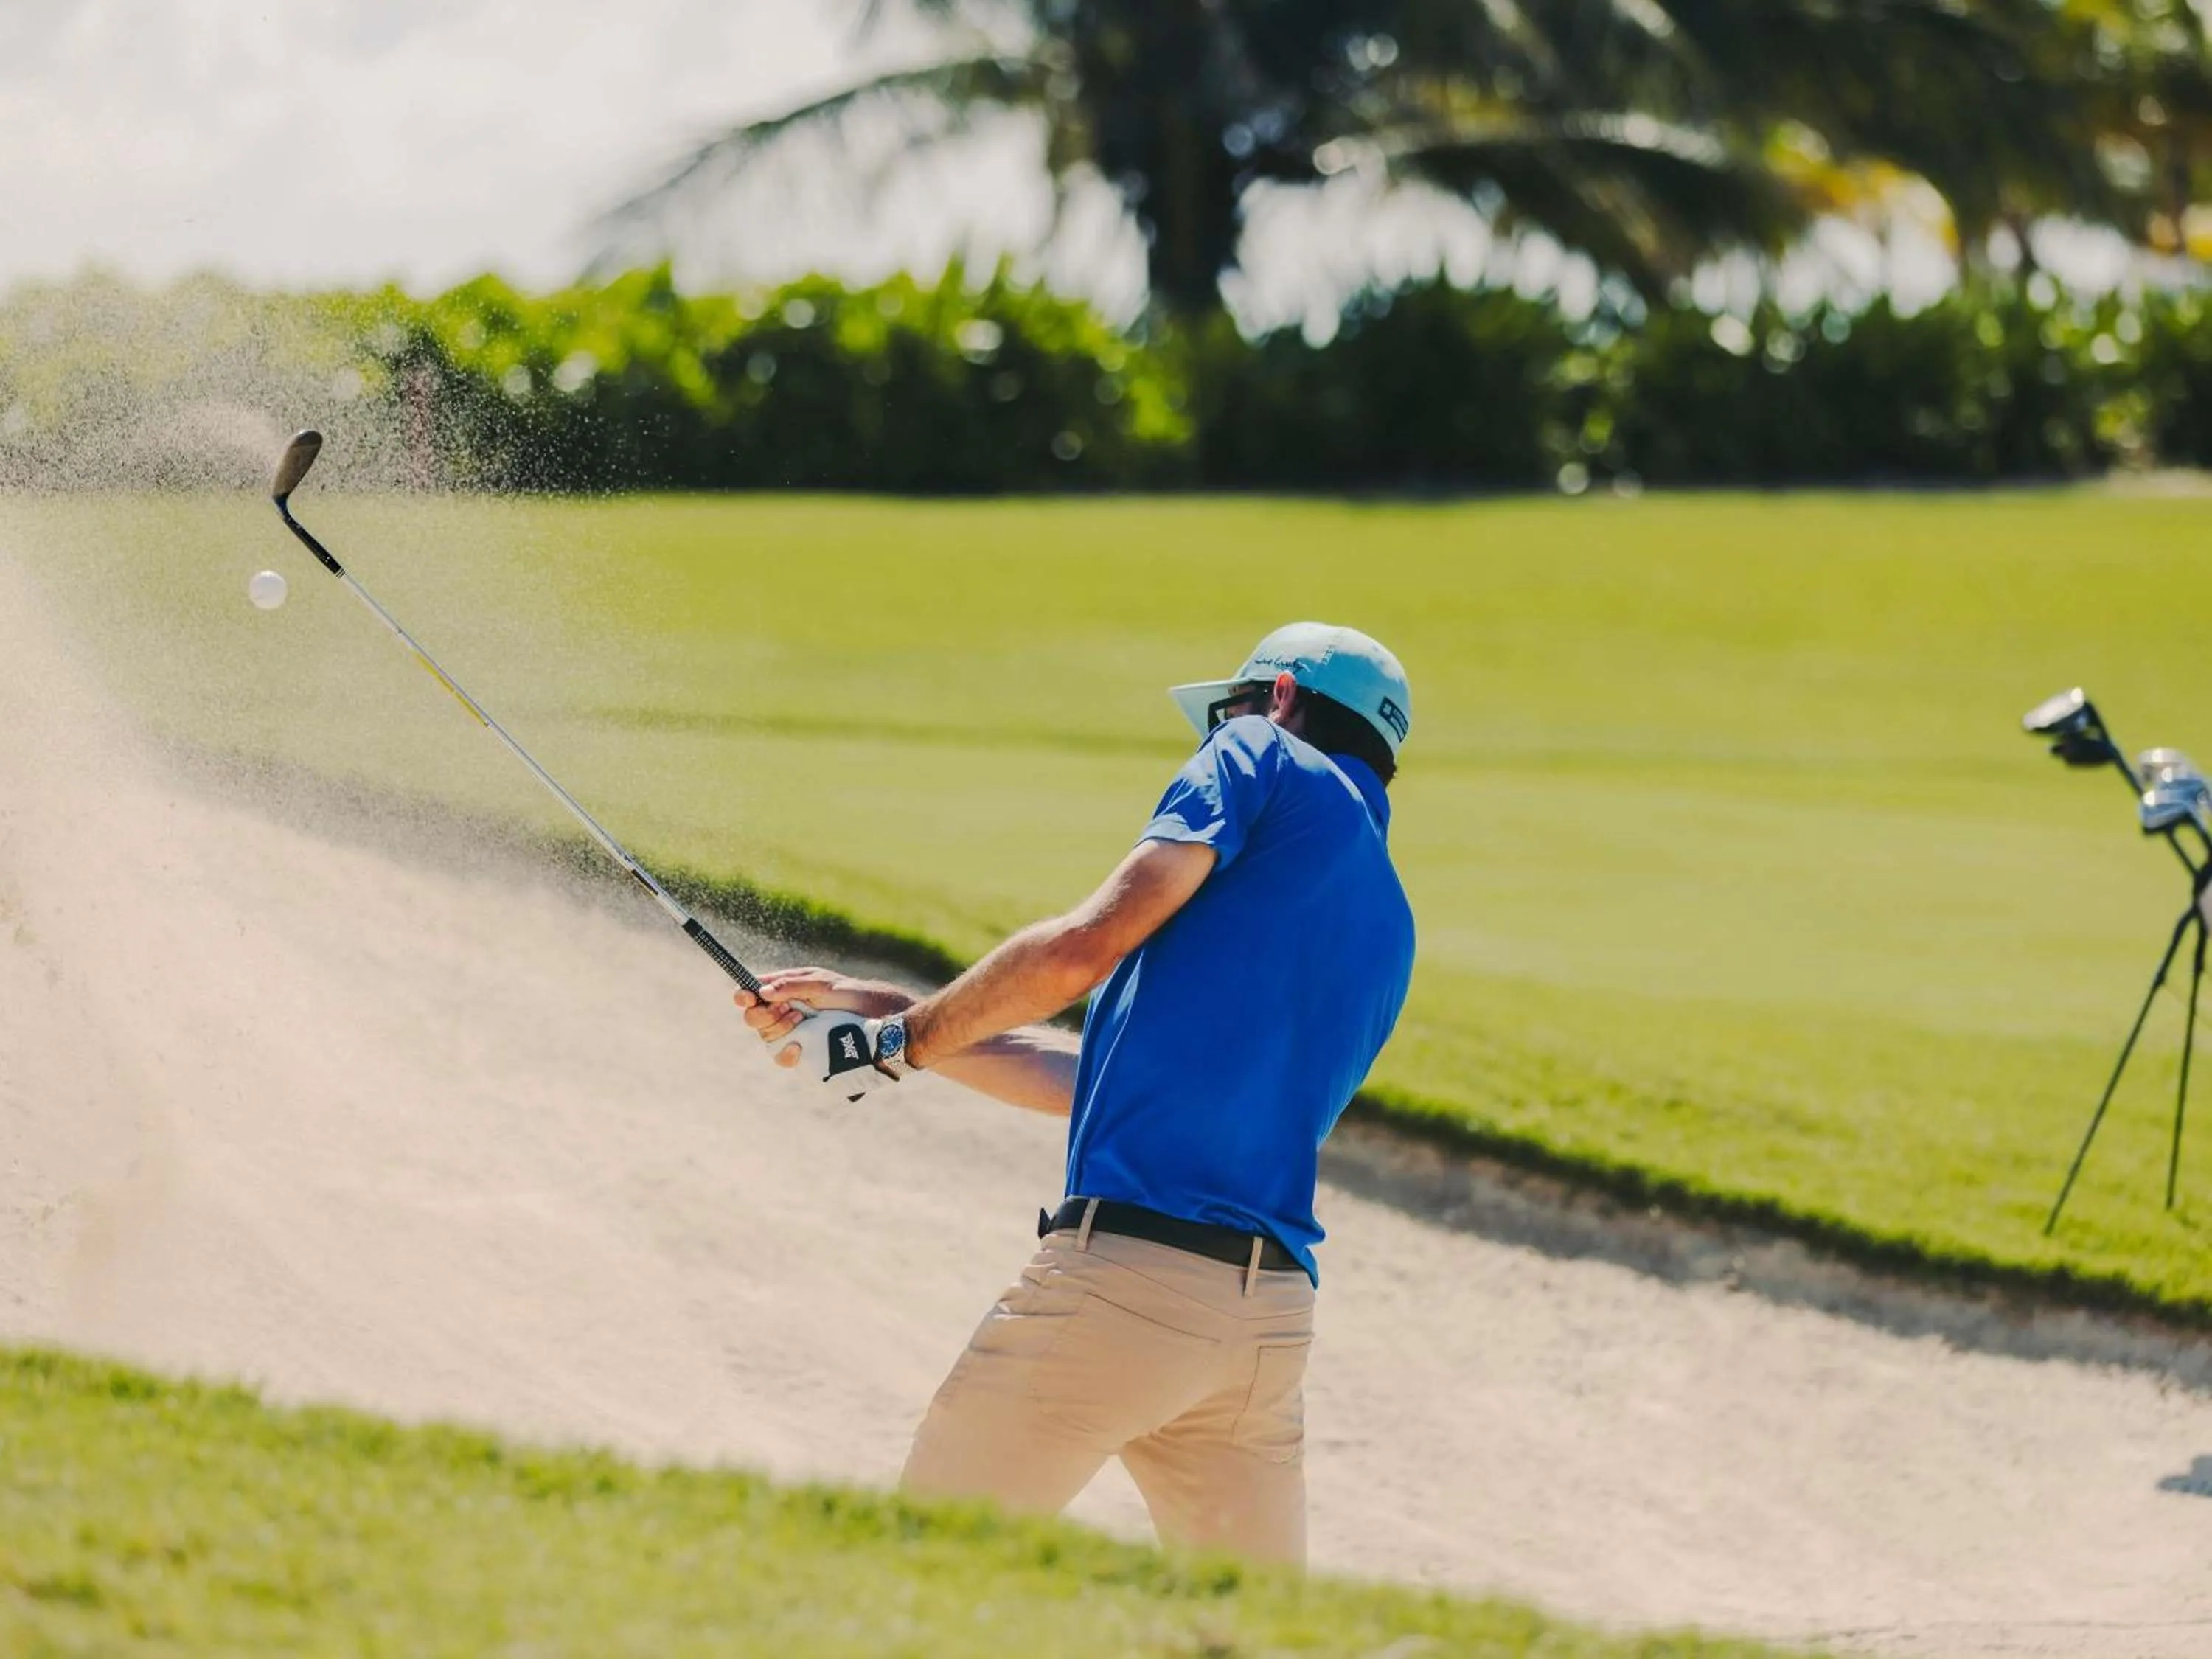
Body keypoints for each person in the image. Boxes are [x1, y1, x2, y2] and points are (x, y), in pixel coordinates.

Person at [735, 621, 1416, 1566]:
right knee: (1245, 1628)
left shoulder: (1258, 754)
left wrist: (900, 1043)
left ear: (1284, 697)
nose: (1219, 733)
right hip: (1263, 1337)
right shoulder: (1390, 920)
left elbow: (1079, 951)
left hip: (1123, 1292)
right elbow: (1104, 1083)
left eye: (1232, 710)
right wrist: (886, 1020)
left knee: (916, 1576)